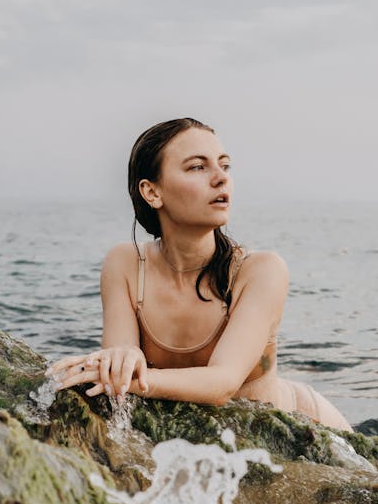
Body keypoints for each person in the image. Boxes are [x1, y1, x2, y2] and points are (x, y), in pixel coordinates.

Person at [48, 117, 351, 432]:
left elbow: (223, 383)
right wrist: (111, 366)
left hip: (301, 428)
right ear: (152, 192)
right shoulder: (125, 264)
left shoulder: (260, 270)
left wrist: (133, 379)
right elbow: (122, 360)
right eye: (197, 167)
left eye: (225, 166)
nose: (221, 179)